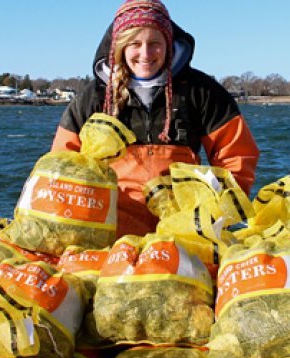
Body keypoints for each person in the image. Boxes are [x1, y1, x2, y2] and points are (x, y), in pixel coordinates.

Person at [51, 0, 260, 237]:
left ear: (169, 44)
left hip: (183, 229)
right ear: (119, 47)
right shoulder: (93, 97)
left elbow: (236, 156)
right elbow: (61, 165)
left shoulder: (202, 91)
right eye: (135, 44)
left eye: (155, 43)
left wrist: (216, 213)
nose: (145, 53)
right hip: (111, 228)